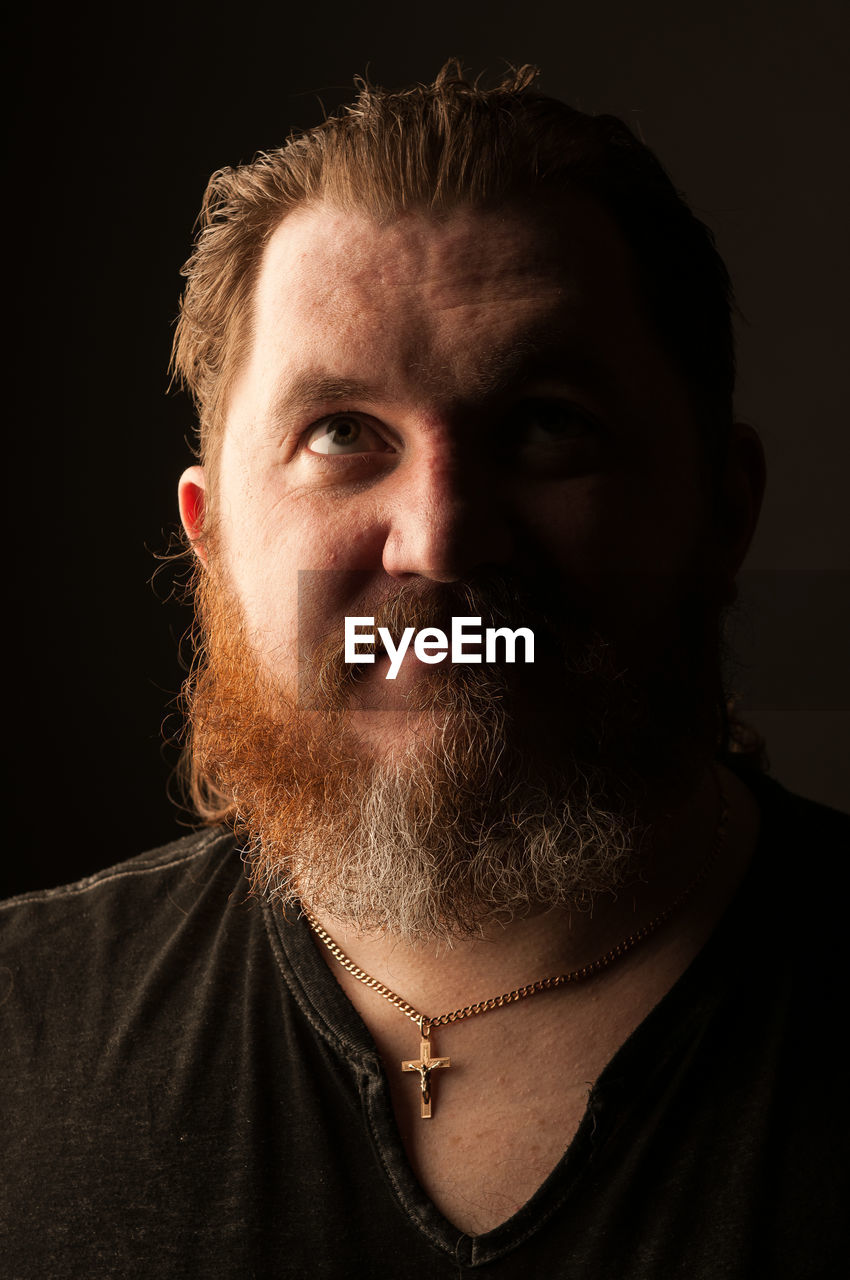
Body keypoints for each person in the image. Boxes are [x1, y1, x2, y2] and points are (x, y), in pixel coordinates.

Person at [1, 63, 847, 1278]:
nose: (442, 539)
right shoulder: (18, 1032)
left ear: (723, 511)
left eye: (548, 422)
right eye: (341, 433)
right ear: (210, 538)